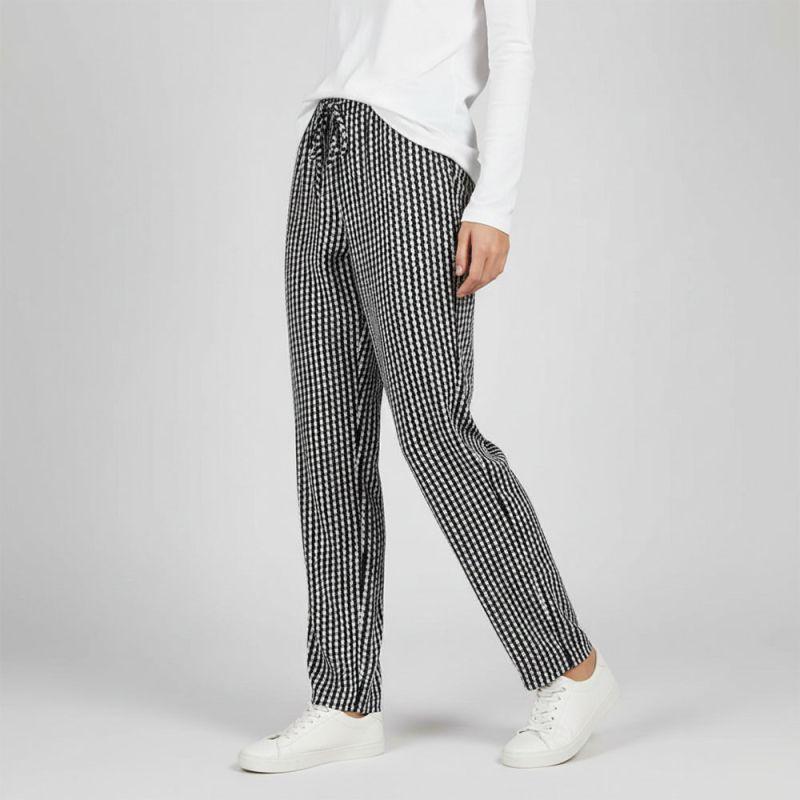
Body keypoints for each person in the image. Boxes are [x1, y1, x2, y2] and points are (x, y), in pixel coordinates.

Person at [239, 0, 618, 773]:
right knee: (328, 441)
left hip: (414, 161)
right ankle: (344, 699)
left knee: (435, 431)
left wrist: (494, 204)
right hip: (325, 146)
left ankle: (571, 669)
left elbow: (514, 51)